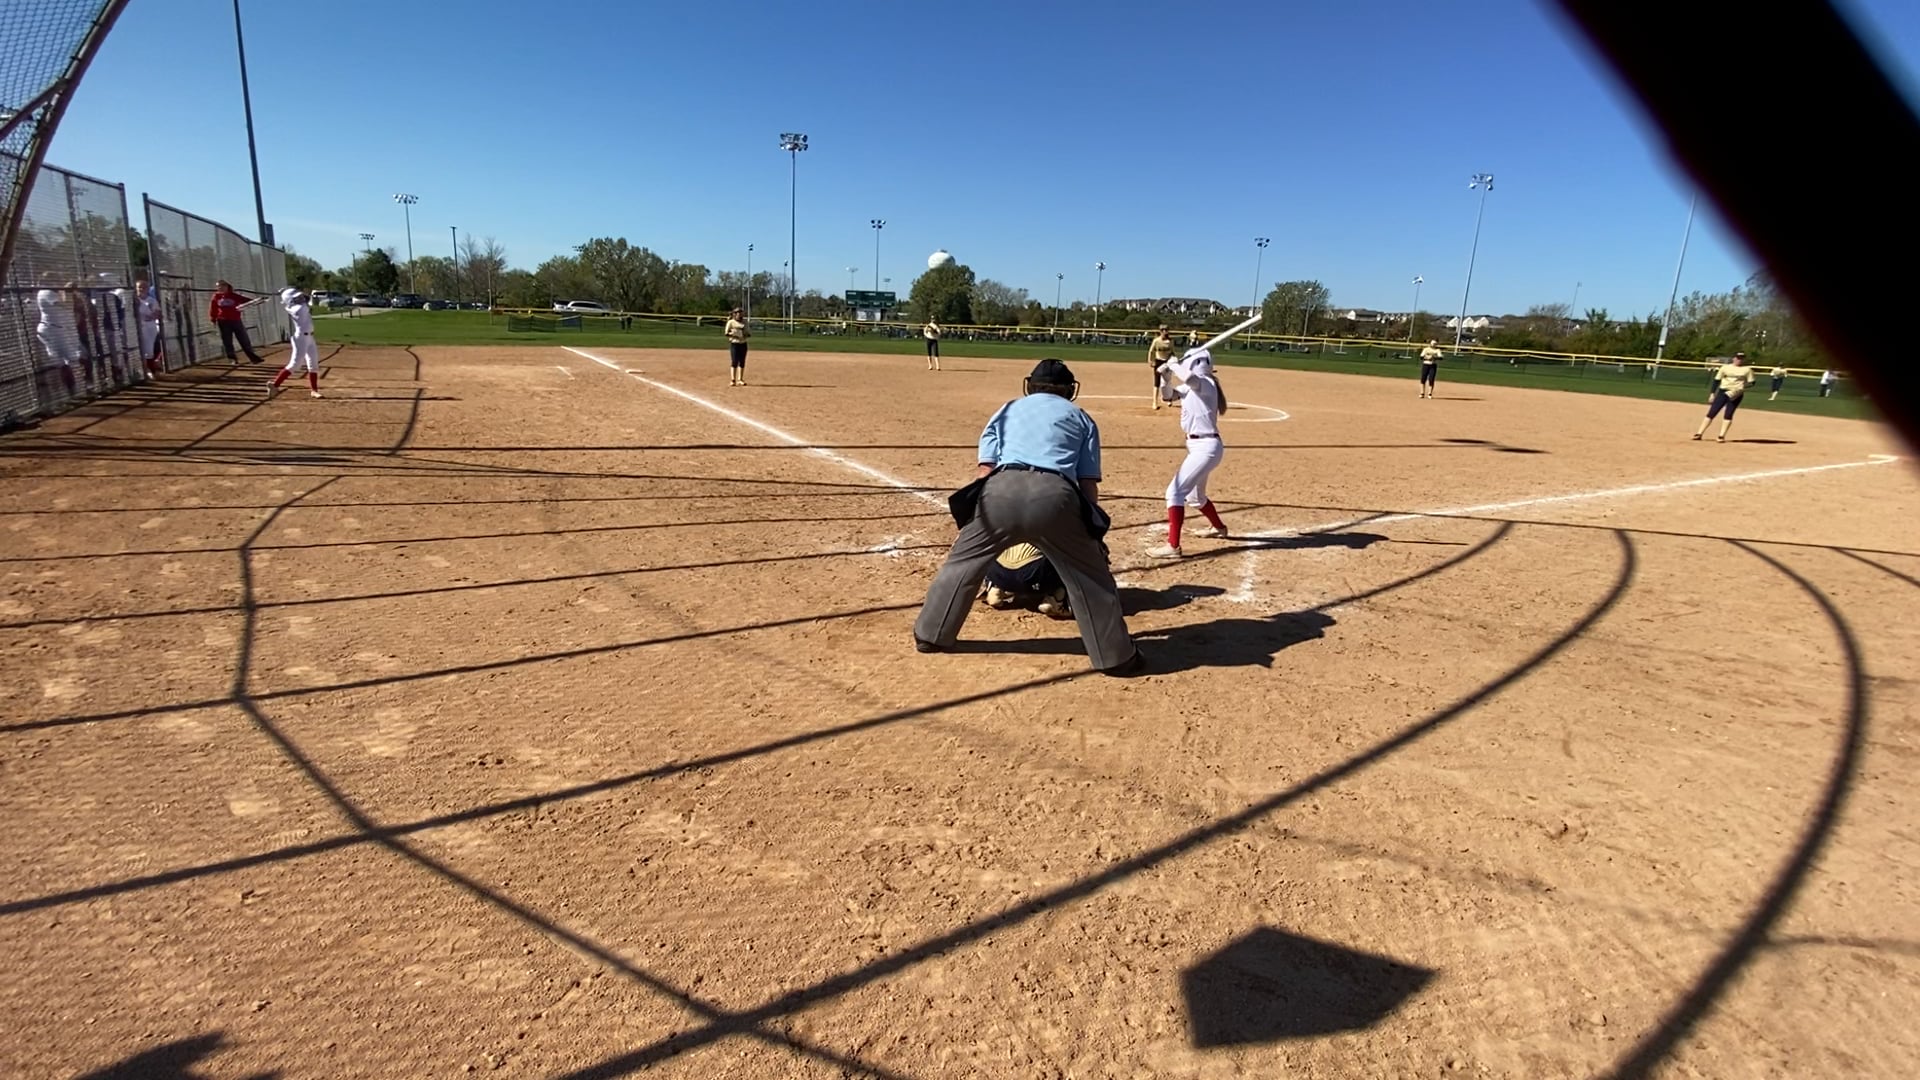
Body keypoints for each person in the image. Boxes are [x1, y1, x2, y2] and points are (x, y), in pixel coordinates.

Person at [913, 358, 1143, 676]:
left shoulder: (1007, 409)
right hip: (1055, 494)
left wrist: (974, 524)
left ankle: (931, 635)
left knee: (962, 564)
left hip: (1000, 489)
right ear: (1069, 390)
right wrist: (1093, 531)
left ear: (1031, 386)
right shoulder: (1081, 417)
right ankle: (1115, 657)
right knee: (1089, 577)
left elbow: (985, 470)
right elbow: (1087, 483)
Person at [1148, 347, 1232, 558]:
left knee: (1174, 492)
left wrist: (1174, 364)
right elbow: (1168, 396)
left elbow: (1191, 380)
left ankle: (1173, 547)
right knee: (1195, 497)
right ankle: (1219, 528)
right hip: (1198, 447)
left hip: (1206, 447)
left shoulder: (1206, 383)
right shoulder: (1191, 386)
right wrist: (1166, 378)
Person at [978, 544, 1071, 618]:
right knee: (1067, 555)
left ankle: (995, 587)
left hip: (999, 572)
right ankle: (1055, 600)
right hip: (1032, 573)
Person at [265, 287, 322, 399]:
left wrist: (286, 292)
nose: (301, 298)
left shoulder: (295, 306)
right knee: (295, 364)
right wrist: (290, 294)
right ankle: (275, 385)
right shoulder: (298, 308)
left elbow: (305, 299)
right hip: (301, 338)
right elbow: (307, 299)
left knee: (313, 364)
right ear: (291, 301)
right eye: (297, 298)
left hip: (310, 337)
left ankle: (314, 390)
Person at [34, 274, 83, 399]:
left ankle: (72, 390)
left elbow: (68, 308)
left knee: (67, 360)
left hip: (58, 329)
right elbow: (66, 305)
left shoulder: (53, 293)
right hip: (51, 329)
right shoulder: (46, 292)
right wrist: (67, 290)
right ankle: (69, 390)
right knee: (65, 360)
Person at [1694, 350, 1756, 442]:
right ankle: (1699, 433)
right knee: (1712, 412)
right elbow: (1716, 380)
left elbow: (1752, 383)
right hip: (1723, 392)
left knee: (1728, 414)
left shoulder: (1747, 370)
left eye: (1741, 359)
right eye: (1738, 358)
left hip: (1736, 393)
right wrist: (1712, 393)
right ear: (1733, 358)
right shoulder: (1725, 368)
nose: (1739, 360)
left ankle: (1721, 436)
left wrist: (1742, 387)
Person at [208, 279, 267, 364]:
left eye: (222, 286)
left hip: (236, 320)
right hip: (223, 321)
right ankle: (232, 359)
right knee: (227, 341)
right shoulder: (216, 296)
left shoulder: (234, 296)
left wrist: (258, 300)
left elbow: (247, 301)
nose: (220, 288)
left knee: (244, 340)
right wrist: (213, 319)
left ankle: (253, 358)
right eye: (218, 286)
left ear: (227, 286)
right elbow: (213, 309)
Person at [134, 275, 164, 378]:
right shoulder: (134, 300)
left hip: (149, 326)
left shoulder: (151, 300)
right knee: (139, 349)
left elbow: (158, 313)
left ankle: (151, 370)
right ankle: (143, 370)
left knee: (149, 349)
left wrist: (153, 315)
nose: (141, 289)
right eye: (139, 287)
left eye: (144, 287)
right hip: (137, 327)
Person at [1147, 326, 1177, 410]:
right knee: (1157, 382)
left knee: (1167, 382)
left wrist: (1174, 361)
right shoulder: (1156, 341)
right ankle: (1154, 402)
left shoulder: (1170, 341)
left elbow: (1172, 352)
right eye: (1162, 330)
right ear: (1160, 331)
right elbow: (1151, 351)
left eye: (1166, 330)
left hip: (1167, 362)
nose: (1164, 332)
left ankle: (1168, 398)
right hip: (1158, 362)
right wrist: (1150, 360)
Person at [724, 307, 750, 386]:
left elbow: (748, 333)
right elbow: (726, 333)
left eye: (741, 313)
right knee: (734, 361)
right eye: (738, 313)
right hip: (734, 343)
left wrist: (743, 334)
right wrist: (733, 334)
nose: (740, 315)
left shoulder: (745, 322)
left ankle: (740, 379)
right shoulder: (731, 322)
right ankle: (733, 380)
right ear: (735, 314)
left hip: (743, 343)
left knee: (742, 361)